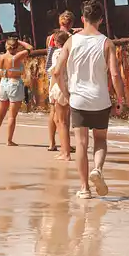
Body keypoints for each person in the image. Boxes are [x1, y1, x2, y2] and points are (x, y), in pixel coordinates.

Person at [53, 0, 126, 199]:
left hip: (78, 100)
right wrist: (120, 98)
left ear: (83, 19)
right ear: (101, 20)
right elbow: (115, 75)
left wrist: (66, 94)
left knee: (82, 143)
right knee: (100, 140)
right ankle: (98, 170)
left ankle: (84, 188)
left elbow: (57, 71)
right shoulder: (107, 43)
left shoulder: (70, 41)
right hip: (100, 100)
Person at [0, 36, 33, 145]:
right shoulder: (16, 57)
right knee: (12, 116)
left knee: (0, 113)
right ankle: (9, 140)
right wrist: (21, 42)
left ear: (6, 46)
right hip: (14, 83)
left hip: (3, 83)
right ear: (16, 47)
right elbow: (30, 48)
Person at [45, 11, 78, 152]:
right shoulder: (71, 38)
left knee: (53, 110)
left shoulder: (50, 37)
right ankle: (66, 144)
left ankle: (51, 143)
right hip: (64, 74)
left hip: (51, 73)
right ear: (71, 23)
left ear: (60, 22)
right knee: (65, 114)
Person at [47, 29, 72, 160]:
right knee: (61, 119)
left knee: (61, 121)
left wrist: (61, 91)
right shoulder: (71, 52)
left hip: (60, 86)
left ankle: (65, 153)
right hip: (69, 84)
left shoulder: (58, 53)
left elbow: (57, 72)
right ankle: (64, 149)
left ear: (57, 42)